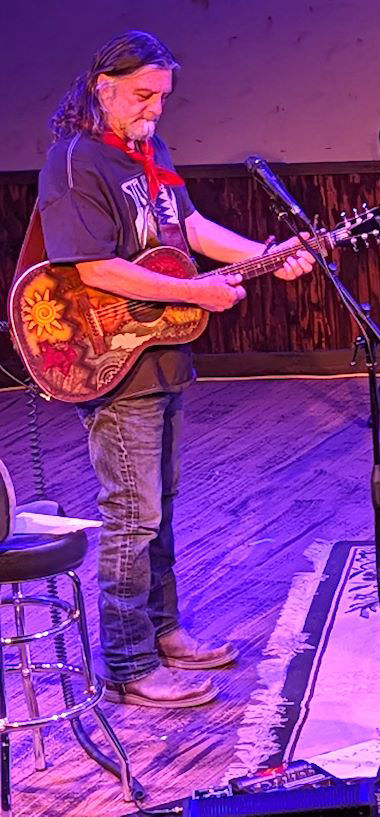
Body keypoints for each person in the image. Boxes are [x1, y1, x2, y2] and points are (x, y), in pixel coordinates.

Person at [30, 31, 316, 707]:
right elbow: (94, 267)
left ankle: (163, 633)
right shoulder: (76, 160)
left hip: (158, 353)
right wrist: (195, 292)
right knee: (132, 515)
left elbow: (189, 228)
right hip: (111, 356)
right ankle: (128, 664)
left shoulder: (148, 150)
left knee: (158, 510)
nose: (155, 109)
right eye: (143, 95)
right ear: (103, 89)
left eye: (162, 97)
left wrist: (268, 255)